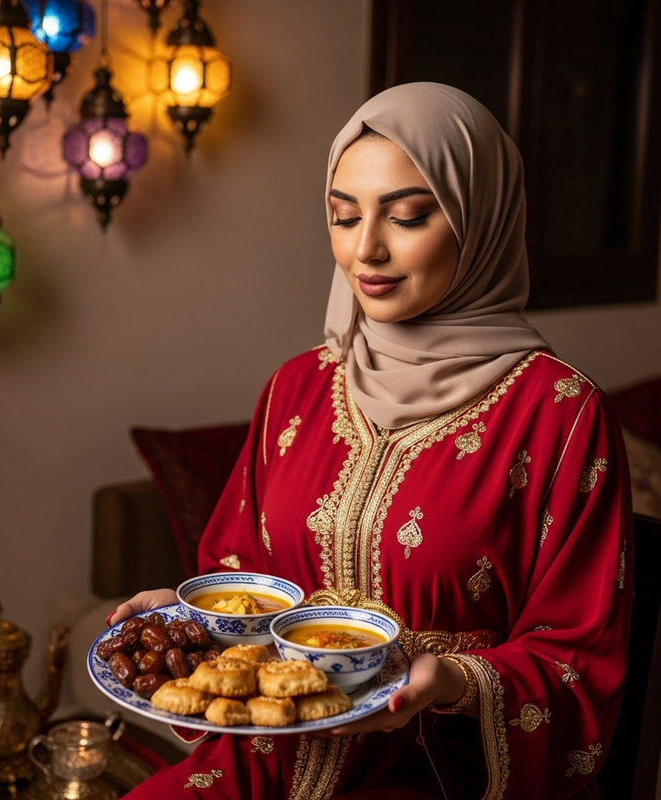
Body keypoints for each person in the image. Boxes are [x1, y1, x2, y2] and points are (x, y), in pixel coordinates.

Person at [107, 82, 633, 799]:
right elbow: (246, 576)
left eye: (409, 216)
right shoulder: (298, 387)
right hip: (270, 758)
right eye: (343, 215)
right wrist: (189, 617)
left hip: (441, 770)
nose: (366, 250)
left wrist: (455, 681)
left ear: (480, 220)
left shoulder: (558, 414)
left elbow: (578, 659)